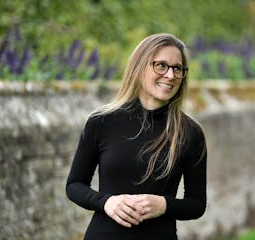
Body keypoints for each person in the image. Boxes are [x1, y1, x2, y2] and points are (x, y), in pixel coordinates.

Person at [66, 33, 207, 240]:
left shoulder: (190, 132)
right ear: (140, 67)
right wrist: (106, 202)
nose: (170, 75)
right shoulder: (101, 122)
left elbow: (196, 204)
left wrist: (164, 205)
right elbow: (74, 185)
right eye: (161, 65)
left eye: (177, 68)